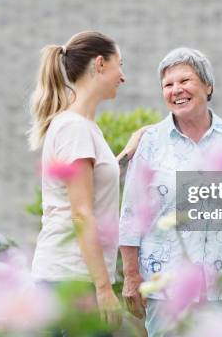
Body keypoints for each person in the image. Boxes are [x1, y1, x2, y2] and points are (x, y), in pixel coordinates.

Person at [118, 47, 222, 336]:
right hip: (167, 289)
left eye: (185, 81)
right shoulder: (150, 142)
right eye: (168, 85)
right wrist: (131, 276)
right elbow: (131, 213)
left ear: (208, 86)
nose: (176, 90)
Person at [28, 31, 145, 332]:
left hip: (72, 277)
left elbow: (90, 186)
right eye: (121, 64)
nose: (124, 77)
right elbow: (81, 213)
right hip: (71, 279)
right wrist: (104, 289)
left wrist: (126, 154)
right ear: (100, 64)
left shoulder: (81, 127)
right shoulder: (74, 128)